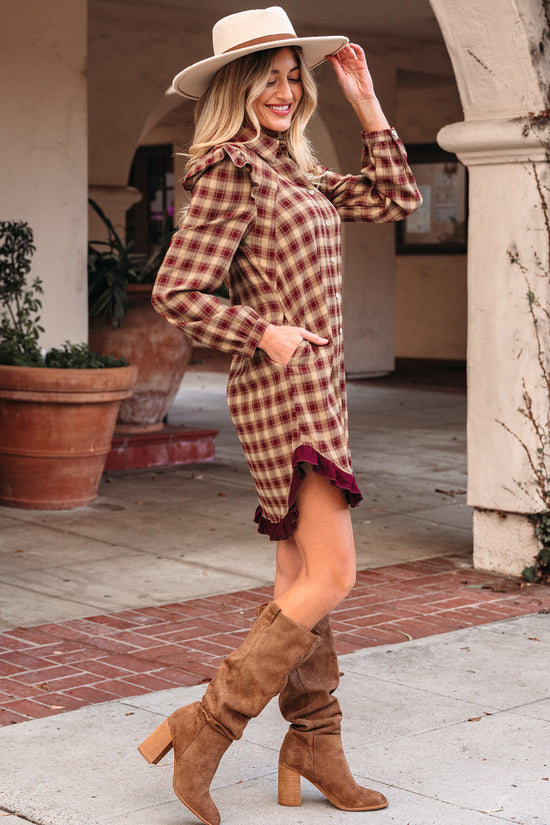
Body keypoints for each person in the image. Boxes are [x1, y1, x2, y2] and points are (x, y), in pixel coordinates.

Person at [138, 7, 422, 825]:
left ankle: (314, 745)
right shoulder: (234, 170)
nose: (286, 88)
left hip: (316, 388)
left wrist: (365, 104)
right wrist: (262, 330)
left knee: (302, 581)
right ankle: (206, 725)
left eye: (293, 75)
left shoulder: (294, 169)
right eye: (270, 75)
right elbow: (176, 291)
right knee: (334, 574)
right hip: (281, 389)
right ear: (237, 85)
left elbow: (395, 195)